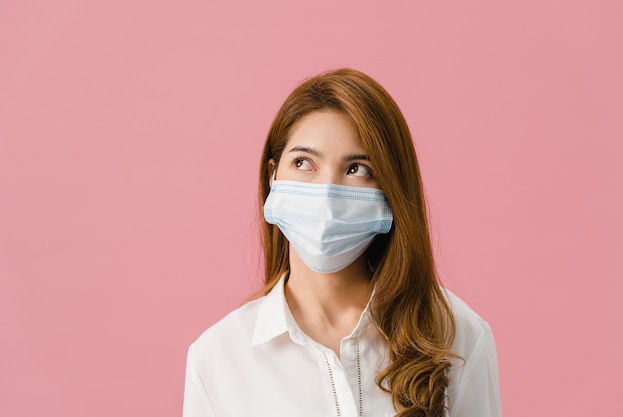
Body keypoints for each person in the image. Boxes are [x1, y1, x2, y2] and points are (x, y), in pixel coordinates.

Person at [182, 69, 501, 417]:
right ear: (273, 175)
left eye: (356, 169)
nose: (326, 194)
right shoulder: (218, 358)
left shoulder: (457, 335)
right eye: (304, 163)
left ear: (391, 188)